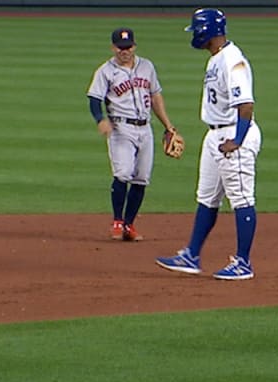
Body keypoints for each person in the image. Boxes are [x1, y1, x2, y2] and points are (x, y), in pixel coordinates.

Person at [156, 8, 262, 281]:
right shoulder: (216, 58)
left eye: (197, 30)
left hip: (233, 135)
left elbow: (246, 105)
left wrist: (236, 141)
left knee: (241, 199)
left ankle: (243, 263)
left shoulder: (233, 60)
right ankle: (191, 254)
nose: (195, 36)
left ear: (209, 31)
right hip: (215, 135)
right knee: (207, 197)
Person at [87, 27, 178, 241]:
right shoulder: (105, 71)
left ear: (134, 46)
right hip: (121, 128)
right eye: (120, 47)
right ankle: (118, 221)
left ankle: (129, 225)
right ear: (113, 47)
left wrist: (169, 126)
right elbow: (94, 99)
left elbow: (156, 97)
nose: (124, 51)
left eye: (128, 47)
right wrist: (101, 120)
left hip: (145, 128)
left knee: (141, 178)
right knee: (123, 173)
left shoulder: (147, 67)